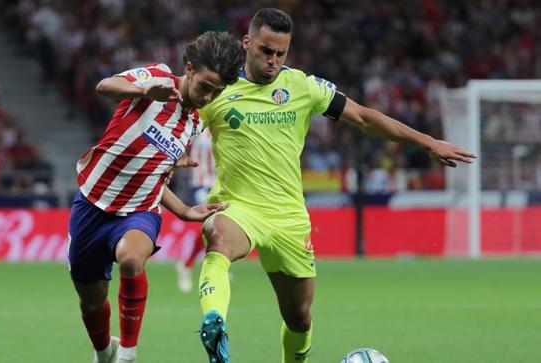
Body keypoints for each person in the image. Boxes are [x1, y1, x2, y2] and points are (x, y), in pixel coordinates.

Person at [195, 8, 476, 363]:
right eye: (266, 50)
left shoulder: (302, 86)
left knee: (299, 317)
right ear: (247, 43)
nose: (273, 60)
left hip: (288, 218)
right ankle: (214, 321)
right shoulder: (218, 88)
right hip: (238, 208)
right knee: (219, 239)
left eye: (281, 53)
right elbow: (179, 123)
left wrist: (426, 142)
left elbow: (363, 117)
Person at [67, 31, 244, 363]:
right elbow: (104, 86)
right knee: (91, 302)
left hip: (139, 211)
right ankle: (105, 351)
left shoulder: (193, 123)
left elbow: (154, 177)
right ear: (189, 69)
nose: (208, 97)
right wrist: (143, 90)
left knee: (132, 260)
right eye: (205, 86)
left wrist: (184, 211)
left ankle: (129, 353)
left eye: (216, 92)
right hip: (92, 204)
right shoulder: (160, 77)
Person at [176, 129, 216, 293]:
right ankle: (187, 266)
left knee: (217, 227)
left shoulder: (222, 125)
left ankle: (213, 263)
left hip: (218, 183)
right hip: (200, 183)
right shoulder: (199, 127)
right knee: (208, 225)